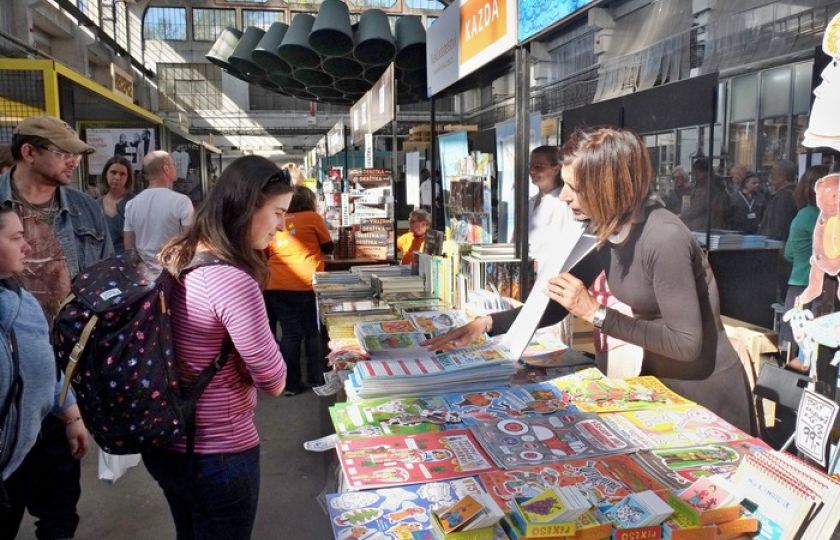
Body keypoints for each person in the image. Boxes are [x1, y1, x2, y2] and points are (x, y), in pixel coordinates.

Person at [426, 127, 755, 435]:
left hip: (705, 396)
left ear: (607, 187)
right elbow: (557, 305)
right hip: (661, 388)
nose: (565, 197)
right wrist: (486, 323)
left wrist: (597, 314)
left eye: (575, 188)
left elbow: (685, 342)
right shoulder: (604, 228)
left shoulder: (663, 237)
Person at [144, 155, 291, 539]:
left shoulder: (178, 254)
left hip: (166, 440)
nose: (282, 225)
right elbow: (274, 381)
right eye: (277, 212)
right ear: (246, 206)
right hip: (218, 452)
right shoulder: (231, 281)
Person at [0, 115, 110, 539]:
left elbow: (102, 286)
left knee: (60, 507)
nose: (73, 163)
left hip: (64, 374)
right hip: (7, 378)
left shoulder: (82, 209)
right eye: (63, 153)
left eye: (76, 155)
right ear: (28, 152)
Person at [0, 202, 90, 537]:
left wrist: (71, 414)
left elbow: (46, 366)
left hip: (33, 440)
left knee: (58, 516)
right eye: (16, 238)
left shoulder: (23, 301)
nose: (27, 246)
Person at [265, 185, 333, 394]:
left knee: (290, 334)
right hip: (307, 284)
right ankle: (317, 378)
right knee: (313, 332)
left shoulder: (277, 219)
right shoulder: (313, 218)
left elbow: (266, 251)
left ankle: (290, 384)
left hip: (276, 284)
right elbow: (328, 247)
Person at [779, 165, 830, 356]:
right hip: (820, 291)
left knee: (795, 348)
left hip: (799, 287)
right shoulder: (823, 218)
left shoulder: (802, 216)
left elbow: (789, 254)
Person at [124, 150, 194, 263]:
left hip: (143, 272)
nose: (175, 168)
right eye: (174, 165)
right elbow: (190, 239)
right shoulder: (181, 201)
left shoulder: (131, 204)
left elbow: (129, 245)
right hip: (172, 269)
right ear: (166, 169)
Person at [527, 145, 575, 263]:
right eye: (531, 166)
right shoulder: (529, 202)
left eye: (539, 167)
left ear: (556, 169)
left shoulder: (563, 204)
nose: (532, 171)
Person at [679, 157, 728, 231]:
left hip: (704, 228)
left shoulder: (708, 187)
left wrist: (681, 215)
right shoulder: (710, 185)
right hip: (708, 227)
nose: (694, 175)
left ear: (703, 172)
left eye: (696, 172)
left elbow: (697, 208)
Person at [98, 156, 134, 253]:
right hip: (101, 260)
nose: (117, 177)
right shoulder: (96, 204)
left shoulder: (134, 202)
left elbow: (138, 236)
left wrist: (114, 216)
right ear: (106, 174)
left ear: (128, 178)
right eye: (113, 172)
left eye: (122, 174)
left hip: (125, 260)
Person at [759, 159, 798, 241]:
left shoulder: (783, 197)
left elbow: (776, 227)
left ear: (782, 177)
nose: (770, 177)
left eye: (773, 174)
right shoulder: (795, 193)